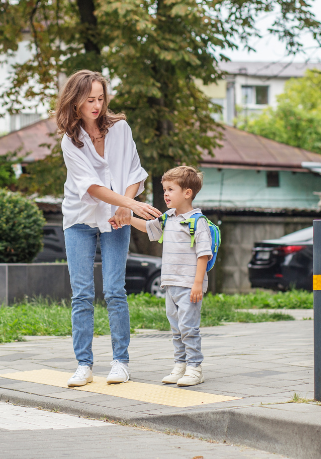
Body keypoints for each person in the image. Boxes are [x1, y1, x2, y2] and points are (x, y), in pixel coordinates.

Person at [56, 70, 162, 387]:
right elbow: (90, 188)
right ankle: (83, 365)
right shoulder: (70, 141)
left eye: (101, 98)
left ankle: (120, 362)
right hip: (79, 219)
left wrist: (123, 206)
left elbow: (134, 172)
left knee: (115, 291)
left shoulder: (120, 129)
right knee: (82, 294)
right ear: (75, 101)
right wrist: (131, 206)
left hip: (117, 218)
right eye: (90, 99)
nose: (97, 105)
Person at [125, 166, 212, 387]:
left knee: (189, 328)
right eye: (164, 189)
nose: (165, 194)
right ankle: (180, 365)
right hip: (171, 284)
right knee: (176, 329)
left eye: (170, 189)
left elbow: (203, 254)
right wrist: (127, 220)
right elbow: (148, 228)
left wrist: (198, 284)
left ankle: (195, 368)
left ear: (187, 193)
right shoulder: (168, 218)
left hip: (189, 284)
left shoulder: (197, 221)